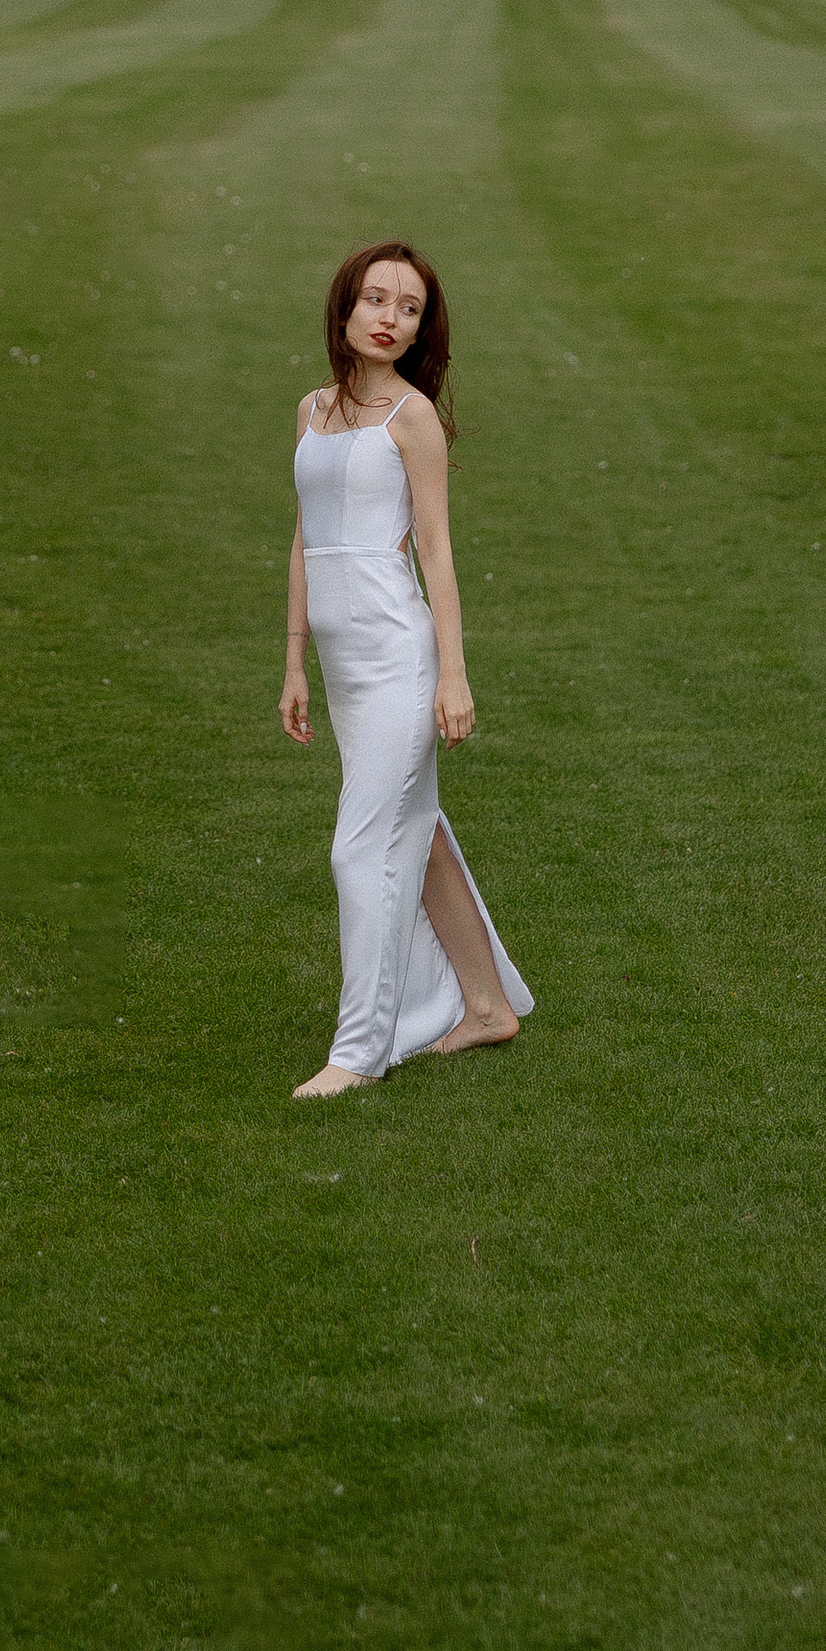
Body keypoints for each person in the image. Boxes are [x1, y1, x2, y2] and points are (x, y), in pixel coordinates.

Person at [281, 239, 534, 1098]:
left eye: (409, 308)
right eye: (376, 299)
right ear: (345, 307)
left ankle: (359, 1050)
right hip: (344, 666)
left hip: (397, 654)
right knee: (416, 836)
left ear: (421, 328)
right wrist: (294, 662)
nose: (389, 318)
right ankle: (489, 1006)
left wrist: (452, 676)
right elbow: (305, 538)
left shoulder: (411, 417)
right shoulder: (314, 409)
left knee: (360, 849)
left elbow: (436, 551)